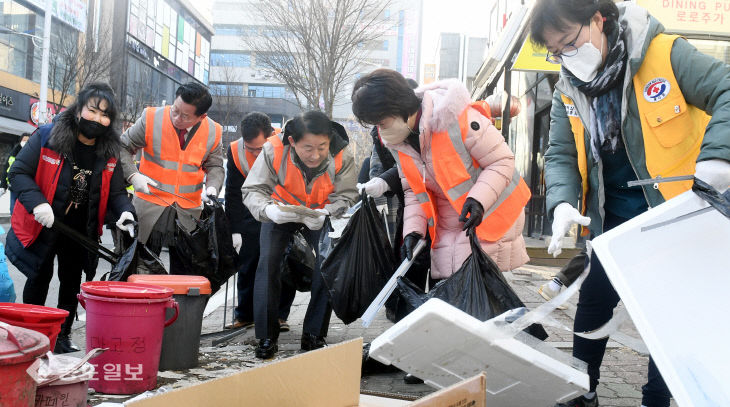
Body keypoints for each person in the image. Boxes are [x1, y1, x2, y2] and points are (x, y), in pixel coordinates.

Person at [529, 1, 730, 406]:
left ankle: (656, 399)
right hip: (611, 221)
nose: (565, 57)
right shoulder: (568, 87)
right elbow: (561, 154)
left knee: (666, 314)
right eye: (556, 51)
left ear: (598, 20)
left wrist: (718, 158)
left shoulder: (663, 53)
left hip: (674, 216)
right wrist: (562, 204)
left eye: (569, 42)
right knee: (594, 300)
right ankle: (581, 390)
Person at [351, 69, 531, 281]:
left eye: (381, 122)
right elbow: (414, 191)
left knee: (479, 302)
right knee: (452, 302)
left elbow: (502, 161)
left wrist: (478, 200)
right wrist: (413, 232)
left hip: (490, 217)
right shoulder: (400, 141)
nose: (380, 130)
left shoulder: (458, 118)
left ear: (398, 107)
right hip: (448, 227)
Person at [5, 82, 136, 353]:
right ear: (78, 110)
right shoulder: (47, 136)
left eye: (105, 115)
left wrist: (125, 211)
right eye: (92, 110)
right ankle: (32, 335)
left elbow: (117, 192)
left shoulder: (109, 151)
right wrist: (38, 204)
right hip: (44, 222)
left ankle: (61, 338)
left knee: (71, 282)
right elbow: (17, 173)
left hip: (81, 229)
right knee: (38, 277)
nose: (98, 119)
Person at [242, 110, 357, 359]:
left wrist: (328, 212)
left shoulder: (342, 152)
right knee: (268, 263)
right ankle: (266, 337)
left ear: (329, 140)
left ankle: (314, 334)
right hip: (281, 210)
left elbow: (347, 194)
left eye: (321, 147)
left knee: (327, 265)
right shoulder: (273, 149)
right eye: (308, 148)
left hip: (320, 213)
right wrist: (268, 210)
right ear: (293, 142)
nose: (315, 155)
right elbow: (253, 189)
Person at [119, 82, 224, 273]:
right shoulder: (151, 118)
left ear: (202, 116)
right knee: (140, 269)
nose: (177, 118)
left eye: (185, 116)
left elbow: (215, 165)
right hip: (149, 207)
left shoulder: (214, 131)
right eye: (175, 110)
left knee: (184, 274)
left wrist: (213, 188)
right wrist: (133, 176)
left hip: (188, 213)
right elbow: (123, 147)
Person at [224, 112, 296, 331]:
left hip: (281, 208)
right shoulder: (236, 150)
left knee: (281, 264)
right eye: (250, 148)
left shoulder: (287, 143)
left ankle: (279, 316)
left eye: (259, 148)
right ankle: (245, 315)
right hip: (251, 212)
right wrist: (234, 229)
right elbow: (233, 192)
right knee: (248, 264)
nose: (254, 153)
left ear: (270, 135)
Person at [0, 133, 30, 215]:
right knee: (12, 210)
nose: (25, 142)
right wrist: (3, 186)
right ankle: (14, 227)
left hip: (24, 188)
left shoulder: (31, 154)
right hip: (13, 186)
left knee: (20, 212)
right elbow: (6, 169)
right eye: (24, 140)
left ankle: (15, 227)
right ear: (20, 141)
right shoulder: (14, 152)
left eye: (27, 141)